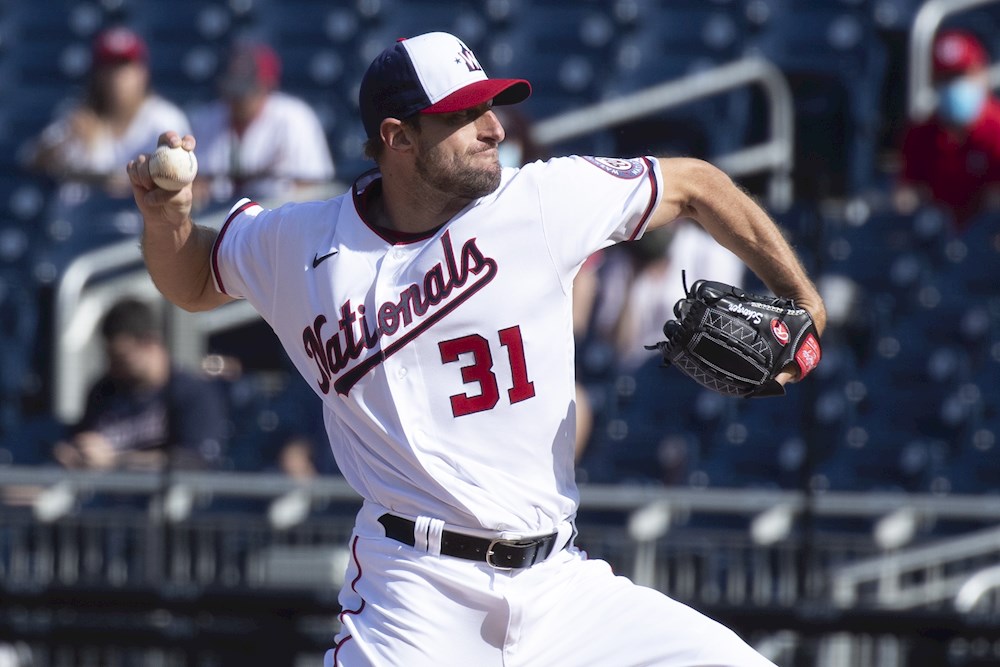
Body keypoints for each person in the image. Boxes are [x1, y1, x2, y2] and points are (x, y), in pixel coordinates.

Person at [127, 31, 826, 667]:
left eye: (491, 106)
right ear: (398, 136)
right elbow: (194, 280)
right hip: (414, 592)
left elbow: (697, 185)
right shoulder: (299, 243)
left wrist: (804, 300)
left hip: (562, 586)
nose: (494, 127)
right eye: (465, 114)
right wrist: (167, 220)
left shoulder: (540, 202)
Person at [53, 298, 227, 473]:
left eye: (121, 358)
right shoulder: (103, 391)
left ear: (150, 343)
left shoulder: (191, 393)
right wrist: (75, 454)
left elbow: (195, 462)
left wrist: (116, 460)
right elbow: (87, 442)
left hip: (163, 490)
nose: (112, 367)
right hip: (103, 489)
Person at [23, 26, 190, 202]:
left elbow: (181, 180)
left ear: (142, 72)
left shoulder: (165, 119)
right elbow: (32, 160)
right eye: (109, 67)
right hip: (78, 215)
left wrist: (107, 179)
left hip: (137, 215)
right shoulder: (80, 116)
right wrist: (68, 140)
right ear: (97, 74)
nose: (116, 76)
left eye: (124, 65)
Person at [189, 40, 336, 208]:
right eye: (233, 91)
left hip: (280, 215)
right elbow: (195, 183)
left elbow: (315, 189)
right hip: (218, 217)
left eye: (246, 92)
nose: (239, 100)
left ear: (267, 85)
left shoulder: (294, 118)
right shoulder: (207, 119)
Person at [895, 29, 1000, 229]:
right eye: (945, 78)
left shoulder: (996, 128)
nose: (953, 86)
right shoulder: (922, 132)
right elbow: (907, 192)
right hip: (938, 235)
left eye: (961, 76)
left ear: (981, 75)